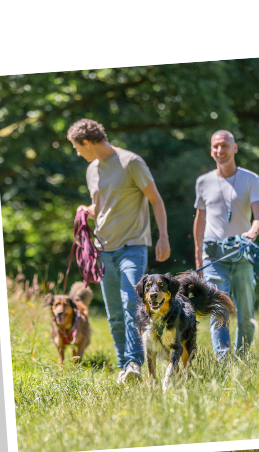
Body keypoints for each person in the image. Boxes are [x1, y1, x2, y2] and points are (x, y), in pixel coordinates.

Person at [67, 118, 171, 383]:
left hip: (132, 247)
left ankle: (135, 363)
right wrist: (86, 212)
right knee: (114, 313)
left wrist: (163, 237)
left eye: (78, 148)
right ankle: (123, 366)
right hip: (103, 250)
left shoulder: (131, 162)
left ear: (87, 142)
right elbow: (100, 206)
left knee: (130, 304)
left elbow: (155, 200)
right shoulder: (92, 170)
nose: (77, 153)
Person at [193, 130, 259, 358]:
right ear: (211, 151)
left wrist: (251, 233)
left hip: (242, 254)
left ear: (234, 148)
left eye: (224, 145)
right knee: (219, 310)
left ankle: (241, 359)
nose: (219, 150)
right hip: (213, 255)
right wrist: (199, 255)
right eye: (215, 146)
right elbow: (200, 220)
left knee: (245, 316)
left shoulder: (250, 179)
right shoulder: (203, 182)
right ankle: (224, 361)